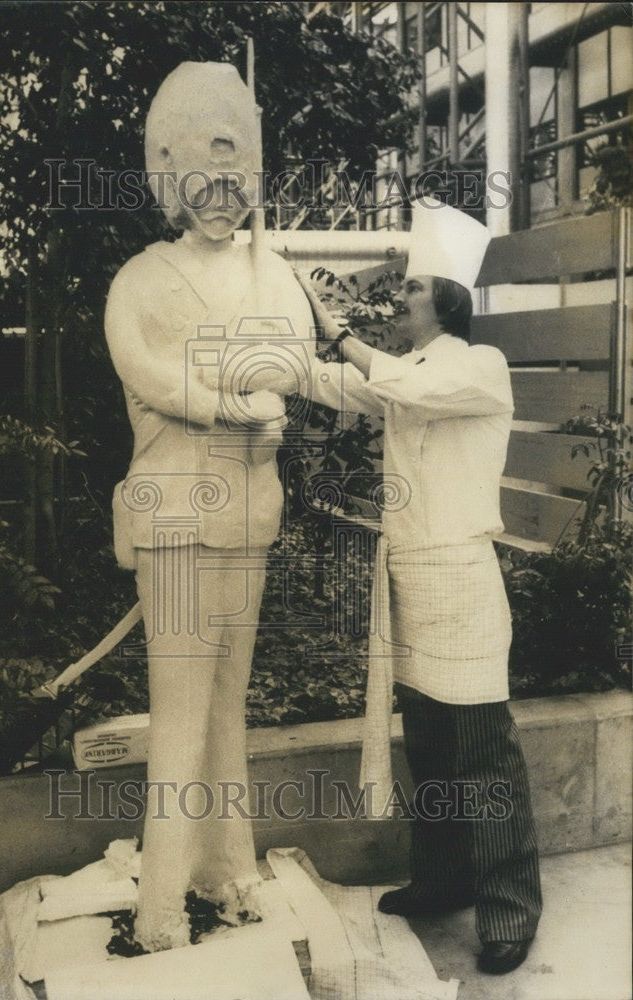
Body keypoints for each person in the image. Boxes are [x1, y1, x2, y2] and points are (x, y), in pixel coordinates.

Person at [289, 198, 543, 976]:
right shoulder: (407, 372)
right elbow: (335, 384)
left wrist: (338, 333)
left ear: (447, 300)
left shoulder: (477, 367)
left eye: (410, 289)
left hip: (461, 583)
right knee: (428, 747)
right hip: (407, 579)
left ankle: (508, 907)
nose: (398, 299)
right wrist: (277, 334)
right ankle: (441, 879)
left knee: (481, 753)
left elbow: (403, 388)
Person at [105, 61, 313, 952]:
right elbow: (152, 373)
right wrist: (235, 398)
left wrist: (273, 402)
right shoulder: (139, 282)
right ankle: (158, 909)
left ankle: (227, 874)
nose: (224, 199)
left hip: (248, 513)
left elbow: (297, 364)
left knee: (230, 703)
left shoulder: (275, 277)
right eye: (207, 182)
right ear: (169, 179)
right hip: (176, 517)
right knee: (182, 708)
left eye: (237, 182)